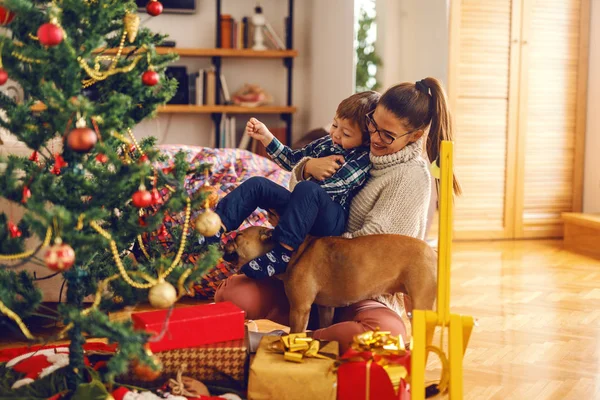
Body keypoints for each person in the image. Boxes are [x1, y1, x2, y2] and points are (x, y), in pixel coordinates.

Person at [215, 77, 462, 352]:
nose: (374, 138)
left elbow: (372, 249)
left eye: (387, 135)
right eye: (372, 125)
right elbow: (307, 196)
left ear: (415, 136)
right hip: (309, 276)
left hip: (361, 290)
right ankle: (313, 333)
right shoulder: (355, 147)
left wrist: (303, 236)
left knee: (386, 334)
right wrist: (308, 167)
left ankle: (295, 341)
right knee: (233, 294)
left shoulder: (410, 177)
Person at [208, 91, 380, 279]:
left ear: (366, 139)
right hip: (301, 205)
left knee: (307, 189)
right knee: (258, 184)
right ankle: (215, 227)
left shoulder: (362, 157)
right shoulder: (326, 142)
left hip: (329, 219)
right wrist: (266, 137)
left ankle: (282, 253)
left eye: (346, 133)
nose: (336, 135)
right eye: (334, 125)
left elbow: (338, 184)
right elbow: (292, 160)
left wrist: (306, 173)